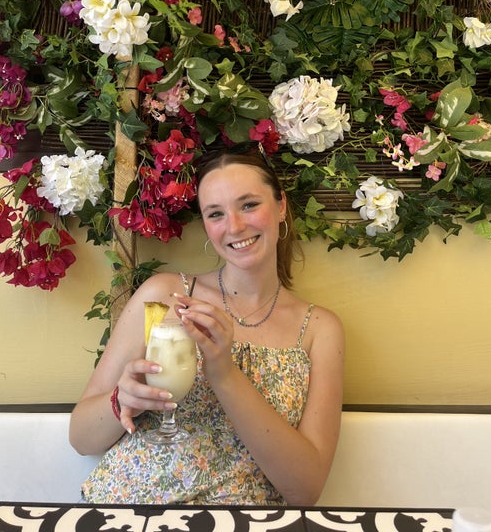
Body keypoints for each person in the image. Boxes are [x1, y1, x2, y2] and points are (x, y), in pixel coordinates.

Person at [70, 146, 345, 505]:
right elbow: (81, 439)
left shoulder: (319, 329)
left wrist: (224, 374)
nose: (235, 226)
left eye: (249, 204)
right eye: (216, 213)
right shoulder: (165, 295)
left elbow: (305, 490)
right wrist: (121, 400)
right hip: (128, 509)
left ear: (281, 207)